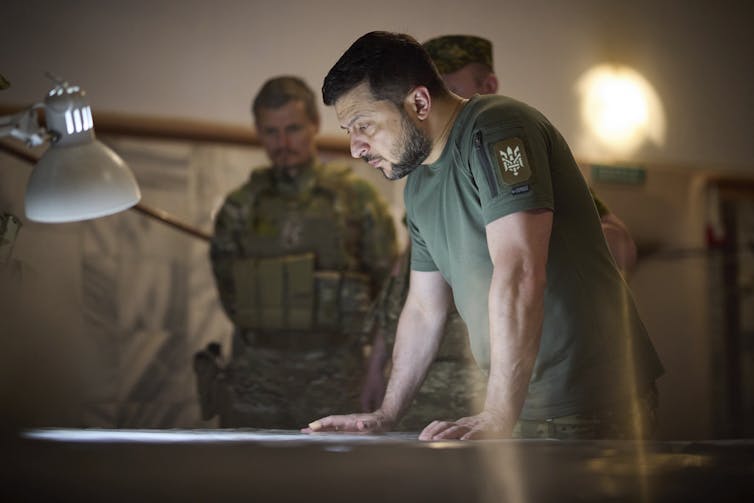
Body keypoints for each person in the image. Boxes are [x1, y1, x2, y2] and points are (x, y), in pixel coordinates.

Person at [305, 31, 663, 440]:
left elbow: (520, 268)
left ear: (419, 103)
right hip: (520, 407)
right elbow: (423, 308)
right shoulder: (419, 185)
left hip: (593, 400)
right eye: (350, 130)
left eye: (363, 126)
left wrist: (496, 413)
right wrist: (387, 413)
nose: (355, 148)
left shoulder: (497, 126)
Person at [196, 76, 398, 428]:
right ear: (258, 131)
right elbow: (229, 291)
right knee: (249, 475)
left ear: (315, 126)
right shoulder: (240, 207)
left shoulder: (356, 199)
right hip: (256, 376)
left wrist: (377, 370)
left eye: (293, 129)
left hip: (337, 375)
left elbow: (389, 291)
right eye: (271, 132)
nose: (283, 143)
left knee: (336, 479)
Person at [423, 34, 638, 275]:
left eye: (450, 91)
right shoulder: (426, 169)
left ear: (489, 87)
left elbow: (620, 244)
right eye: (429, 96)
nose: (437, 107)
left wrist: (546, 247)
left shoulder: (518, 150)